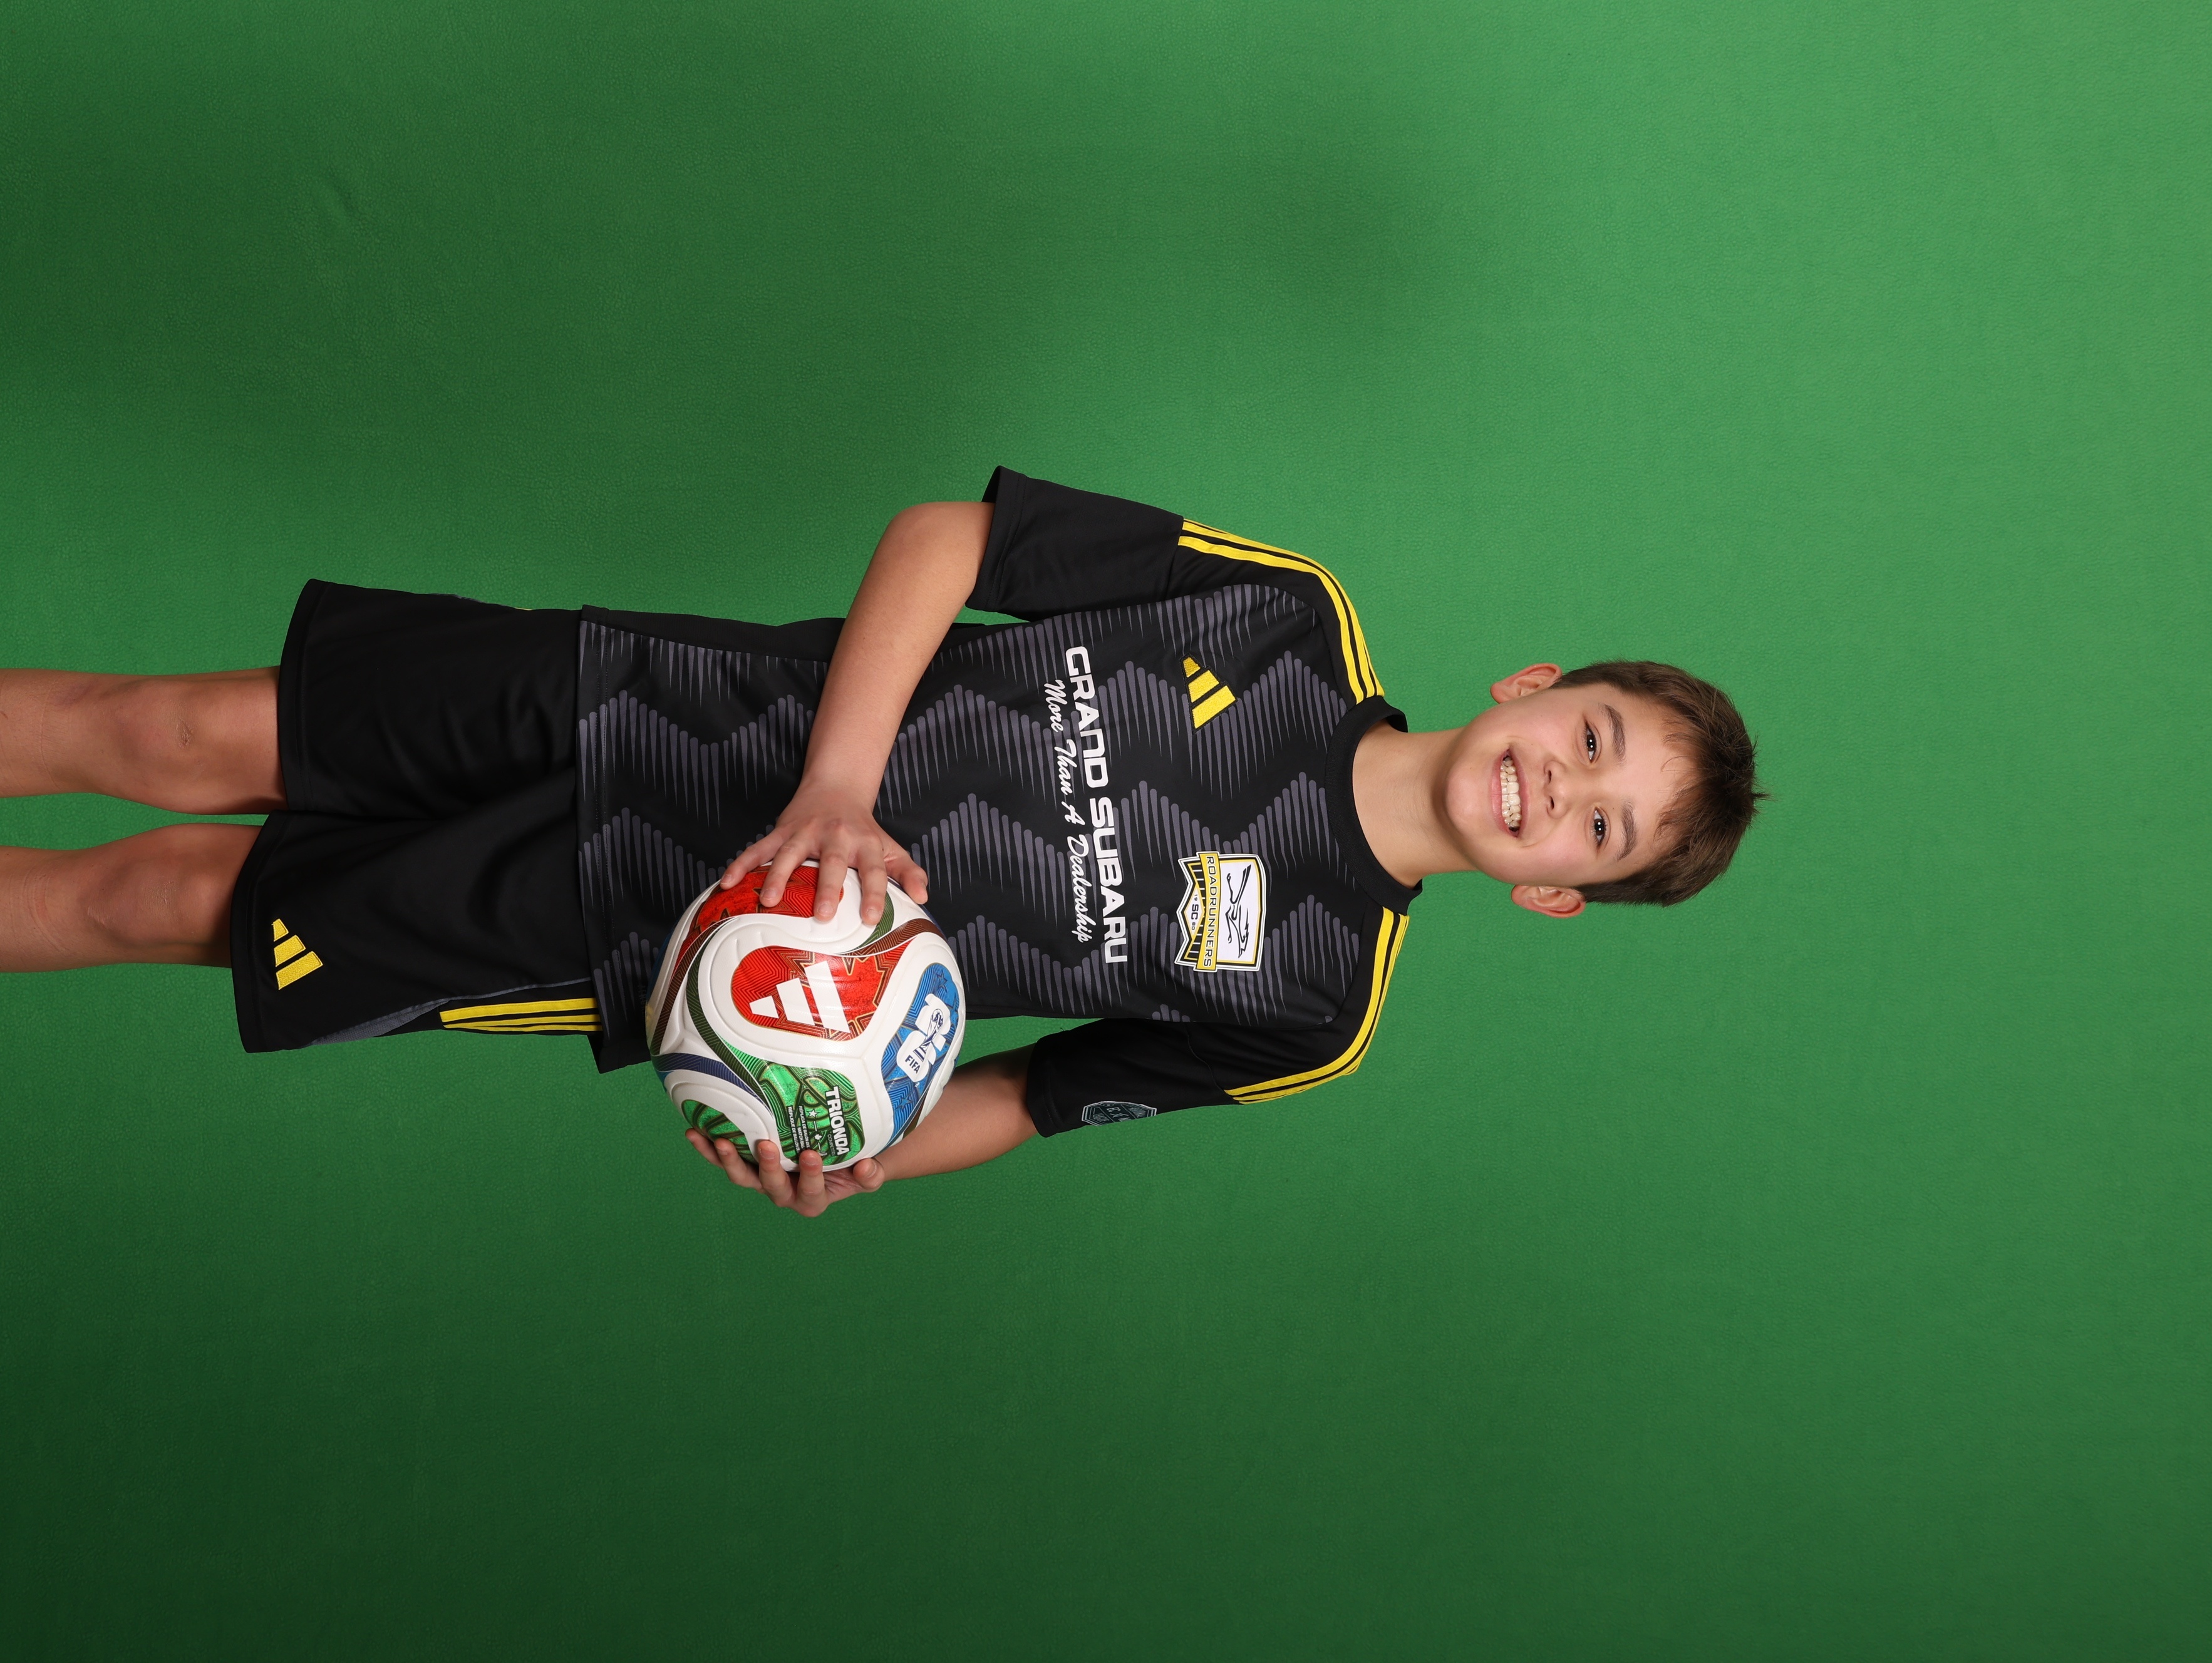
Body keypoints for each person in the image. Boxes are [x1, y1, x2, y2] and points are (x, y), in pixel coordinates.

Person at [0, 469, 1762, 1215]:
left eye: (1598, 830)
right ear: (1539, 684)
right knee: (167, 731)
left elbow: (1030, 1097)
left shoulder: (1314, 1007)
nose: (1558, 786)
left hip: (634, 928)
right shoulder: (1285, 616)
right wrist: (836, 787)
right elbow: (950, 537)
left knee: (167, 897)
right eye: (1589, 739)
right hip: (652, 702)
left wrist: (857, 1159)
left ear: (1558, 894)